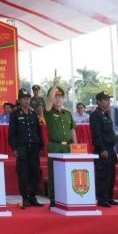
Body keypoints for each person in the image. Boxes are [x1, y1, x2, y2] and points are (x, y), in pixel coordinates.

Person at [8, 89, 44, 207]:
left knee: (35, 172)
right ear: (19, 100)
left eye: (28, 99)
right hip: (22, 147)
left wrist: (41, 147)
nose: (26, 101)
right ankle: (24, 197)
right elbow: (12, 133)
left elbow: (38, 131)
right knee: (23, 173)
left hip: (34, 146)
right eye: (24, 99)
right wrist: (14, 148)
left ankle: (33, 196)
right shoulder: (15, 114)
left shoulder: (33, 114)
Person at [44, 79, 77, 207]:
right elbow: (49, 102)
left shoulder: (67, 114)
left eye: (60, 97)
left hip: (67, 146)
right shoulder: (48, 112)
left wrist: (76, 146)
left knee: (68, 172)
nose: (58, 99)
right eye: (55, 97)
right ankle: (53, 199)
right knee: (53, 173)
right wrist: (54, 85)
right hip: (55, 146)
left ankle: (68, 197)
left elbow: (72, 130)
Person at [89, 91, 118, 208]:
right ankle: (102, 198)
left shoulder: (106, 114)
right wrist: (102, 149)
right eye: (105, 100)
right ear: (99, 102)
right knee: (103, 175)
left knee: (111, 175)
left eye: (109, 100)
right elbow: (97, 134)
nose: (108, 102)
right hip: (102, 149)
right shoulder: (95, 115)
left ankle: (109, 197)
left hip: (110, 149)